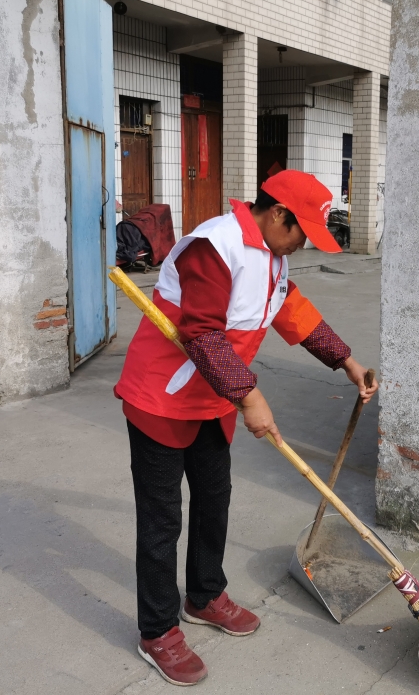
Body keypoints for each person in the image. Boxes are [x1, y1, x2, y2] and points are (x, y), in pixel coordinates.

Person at [114, 169, 379, 686]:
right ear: (278, 213)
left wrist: (346, 361)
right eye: (303, 232)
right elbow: (203, 333)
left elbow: (294, 313)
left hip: (214, 398)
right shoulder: (214, 247)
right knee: (163, 520)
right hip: (161, 398)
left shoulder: (273, 258)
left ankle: (205, 594)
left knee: (215, 498)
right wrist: (251, 396)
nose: (303, 246)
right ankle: (158, 630)